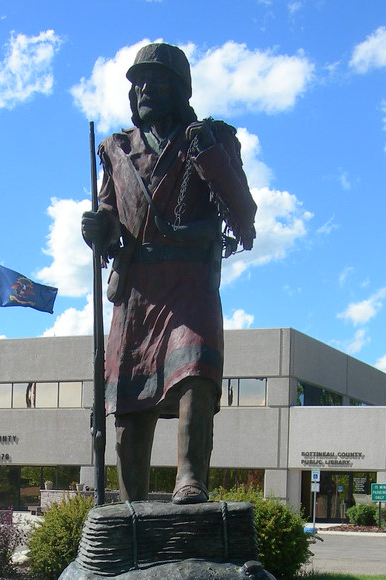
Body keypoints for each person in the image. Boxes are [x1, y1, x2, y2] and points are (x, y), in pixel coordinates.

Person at [82, 42, 257, 503]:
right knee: (128, 406)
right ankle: (131, 504)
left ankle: (190, 478)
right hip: (138, 289)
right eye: (137, 83)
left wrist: (209, 156)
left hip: (190, 281)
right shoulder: (118, 151)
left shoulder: (212, 137)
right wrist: (97, 226)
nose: (144, 90)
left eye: (155, 80)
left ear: (179, 89)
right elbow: (109, 218)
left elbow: (243, 214)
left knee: (196, 369)